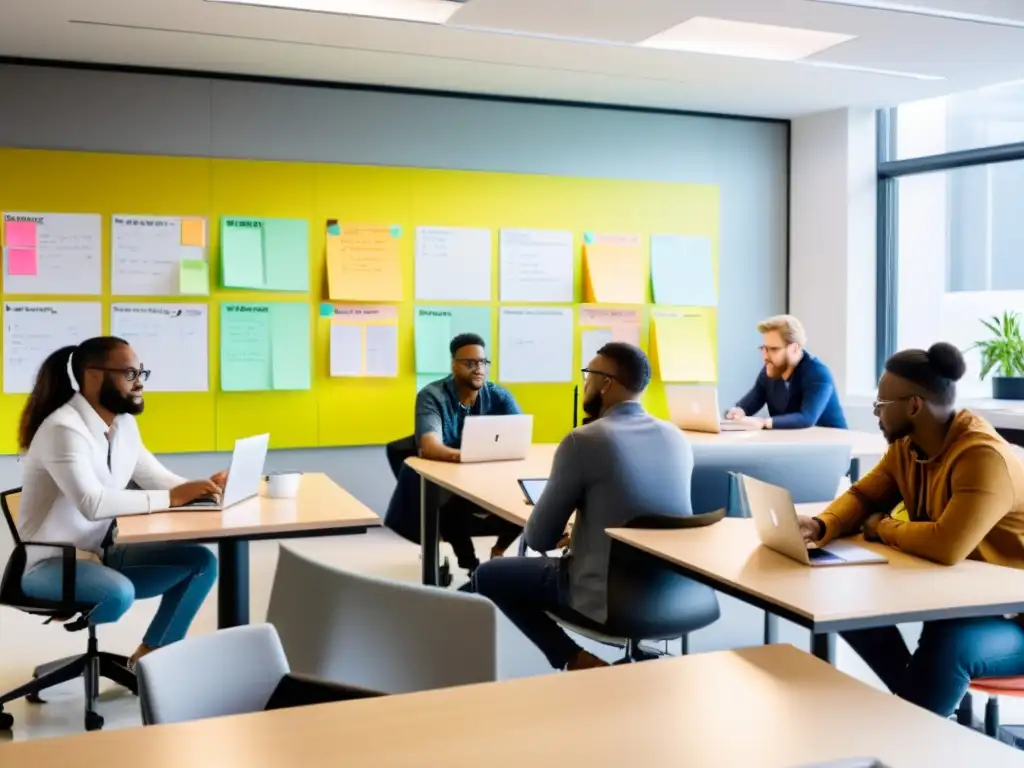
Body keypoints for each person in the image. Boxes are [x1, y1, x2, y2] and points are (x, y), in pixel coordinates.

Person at [796, 342, 1024, 717]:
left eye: (881, 406)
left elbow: (946, 544)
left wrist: (882, 527)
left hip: (1014, 618)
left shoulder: (982, 457)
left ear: (914, 406)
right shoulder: (908, 448)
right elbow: (864, 496)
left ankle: (913, 732)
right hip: (969, 601)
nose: (876, 415)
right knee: (847, 609)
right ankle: (920, 719)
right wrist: (823, 524)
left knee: (950, 644)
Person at [473, 343, 695, 671]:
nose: (586, 382)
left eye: (589, 374)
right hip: (677, 590)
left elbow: (539, 540)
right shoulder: (676, 437)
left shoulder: (584, 440)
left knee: (489, 575)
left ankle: (576, 659)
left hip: (608, 595)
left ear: (606, 383)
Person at [16, 337, 225, 670]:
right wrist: (172, 498)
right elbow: (92, 503)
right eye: (129, 373)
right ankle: (79, 606)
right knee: (118, 593)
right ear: (94, 376)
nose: (139, 382)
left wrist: (205, 488)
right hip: (46, 565)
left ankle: (151, 658)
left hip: (97, 553)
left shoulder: (123, 425)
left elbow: (155, 477)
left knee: (201, 562)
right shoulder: (63, 429)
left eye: (141, 372)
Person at [384, 333, 523, 577]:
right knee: (449, 503)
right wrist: (471, 456)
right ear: (454, 365)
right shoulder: (432, 395)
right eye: (469, 363)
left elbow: (519, 436)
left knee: (529, 498)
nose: (478, 368)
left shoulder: (499, 395)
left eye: (482, 362)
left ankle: (499, 550)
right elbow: (429, 445)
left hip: (489, 474)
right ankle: (471, 566)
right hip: (449, 474)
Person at [725, 314, 847, 429]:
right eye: (764, 348)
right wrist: (738, 412)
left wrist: (763, 422)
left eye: (773, 349)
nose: (765, 356)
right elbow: (751, 402)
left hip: (830, 445)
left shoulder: (818, 373)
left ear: (794, 348)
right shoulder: (770, 370)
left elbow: (806, 418)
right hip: (795, 444)